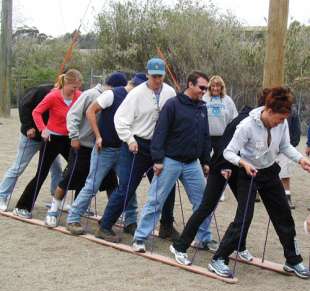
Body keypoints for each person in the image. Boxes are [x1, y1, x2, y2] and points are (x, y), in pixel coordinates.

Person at [208, 87, 310, 279]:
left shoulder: (282, 123)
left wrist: (300, 160)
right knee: (243, 219)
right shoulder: (246, 125)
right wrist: (243, 163)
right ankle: (219, 259)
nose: (281, 122)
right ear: (269, 111)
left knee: (284, 216)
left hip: (270, 172)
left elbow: (285, 146)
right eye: (280, 118)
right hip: (249, 172)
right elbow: (228, 152)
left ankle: (293, 260)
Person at [95, 58, 178, 243]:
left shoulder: (170, 92)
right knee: (126, 188)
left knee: (166, 187)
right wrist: (130, 139)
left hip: (158, 147)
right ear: (147, 74)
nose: (157, 80)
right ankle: (105, 226)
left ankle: (166, 226)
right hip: (136, 146)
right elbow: (120, 119)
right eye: (154, 76)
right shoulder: (136, 94)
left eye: (160, 76)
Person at [132, 70, 216, 252]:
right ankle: (139, 238)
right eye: (202, 87)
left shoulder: (202, 107)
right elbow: (160, 133)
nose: (204, 91)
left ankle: (203, 238)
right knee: (155, 201)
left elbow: (204, 135)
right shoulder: (172, 105)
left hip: (193, 163)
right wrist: (158, 159)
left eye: (206, 88)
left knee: (203, 202)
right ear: (190, 84)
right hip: (170, 161)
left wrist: (206, 160)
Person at [170, 105, 254, 265]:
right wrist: (221, 167)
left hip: (240, 169)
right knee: (206, 207)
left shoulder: (263, 125)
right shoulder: (245, 121)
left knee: (246, 210)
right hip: (221, 166)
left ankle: (239, 245)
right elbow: (224, 147)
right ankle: (179, 247)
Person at [66, 73, 147, 236]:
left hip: (123, 149)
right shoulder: (112, 94)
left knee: (128, 185)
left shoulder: (137, 100)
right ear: (135, 85)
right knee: (92, 185)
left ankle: (130, 221)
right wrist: (98, 136)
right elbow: (91, 111)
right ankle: (73, 218)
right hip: (105, 149)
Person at [45, 72, 129, 227]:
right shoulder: (90, 95)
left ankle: (117, 213)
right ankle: (53, 210)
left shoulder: (118, 98)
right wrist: (74, 136)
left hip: (104, 148)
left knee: (111, 181)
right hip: (84, 145)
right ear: (112, 86)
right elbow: (73, 115)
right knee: (69, 177)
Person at [13, 69, 82, 220]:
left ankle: (78, 205)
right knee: (42, 173)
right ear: (67, 83)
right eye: (74, 87)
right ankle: (22, 207)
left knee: (78, 167)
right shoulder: (53, 96)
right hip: (52, 139)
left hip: (68, 139)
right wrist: (42, 129)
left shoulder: (79, 96)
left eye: (78, 87)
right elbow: (36, 112)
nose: (76, 90)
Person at [0, 84, 62, 212]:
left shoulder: (67, 97)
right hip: (31, 137)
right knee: (18, 167)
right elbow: (24, 106)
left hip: (48, 140)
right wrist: (29, 126)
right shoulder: (41, 91)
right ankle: (2, 195)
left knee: (57, 169)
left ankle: (56, 198)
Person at [203, 75, 238, 202]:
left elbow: (234, 119)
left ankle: (220, 191)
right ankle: (207, 189)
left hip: (222, 137)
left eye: (218, 86)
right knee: (206, 163)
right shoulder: (204, 99)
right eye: (213, 85)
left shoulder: (227, 100)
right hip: (207, 136)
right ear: (209, 87)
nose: (215, 88)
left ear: (222, 87)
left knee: (221, 164)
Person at [276, 107, 301, 209]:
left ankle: (287, 197)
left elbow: (296, 130)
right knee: (263, 170)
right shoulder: (270, 106)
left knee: (285, 174)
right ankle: (257, 194)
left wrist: (292, 144)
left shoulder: (293, 111)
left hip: (286, 147)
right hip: (270, 146)